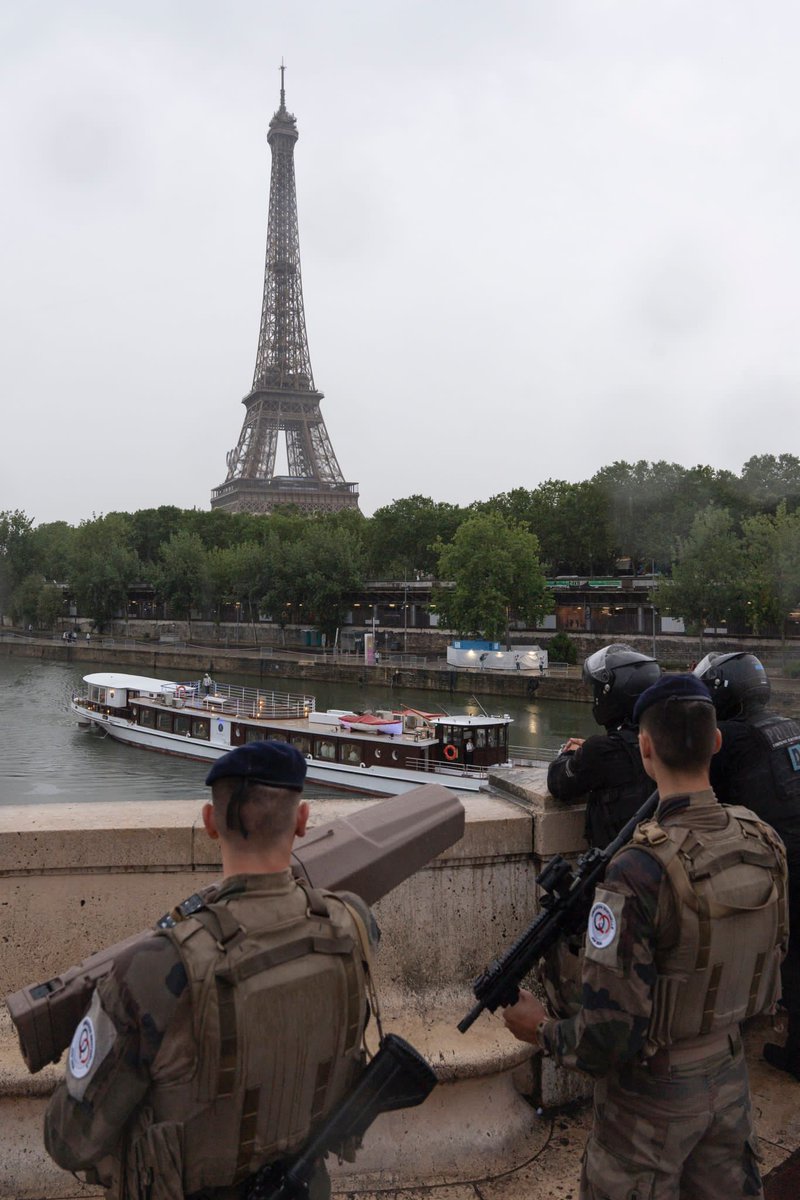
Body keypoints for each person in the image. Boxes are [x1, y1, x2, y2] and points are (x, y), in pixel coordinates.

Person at [44, 741, 374, 1199]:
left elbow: (69, 1141)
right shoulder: (353, 924)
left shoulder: (160, 966)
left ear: (209, 823)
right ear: (302, 821)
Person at [504, 674, 788, 1200]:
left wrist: (539, 1028)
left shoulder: (637, 869)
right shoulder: (761, 838)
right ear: (717, 742)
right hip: (729, 1076)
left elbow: (607, 1039)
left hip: (649, 1103)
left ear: (645, 747)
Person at [695, 651, 800, 1080]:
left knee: (793, 960)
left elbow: (689, 778)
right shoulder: (786, 725)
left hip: (783, 858)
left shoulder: (732, 737)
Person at [547, 643, 661, 846]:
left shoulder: (601, 752)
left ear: (611, 695)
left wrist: (574, 754)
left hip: (618, 866)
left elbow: (558, 782)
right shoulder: (666, 741)